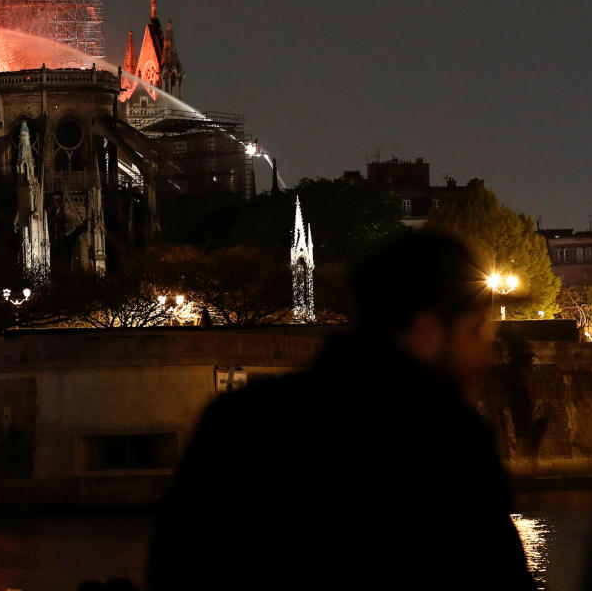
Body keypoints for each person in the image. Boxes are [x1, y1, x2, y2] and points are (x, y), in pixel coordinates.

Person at [148, 230, 536, 591]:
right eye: (474, 332)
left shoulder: (238, 422)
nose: (486, 355)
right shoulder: (447, 448)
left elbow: (174, 565)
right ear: (426, 331)